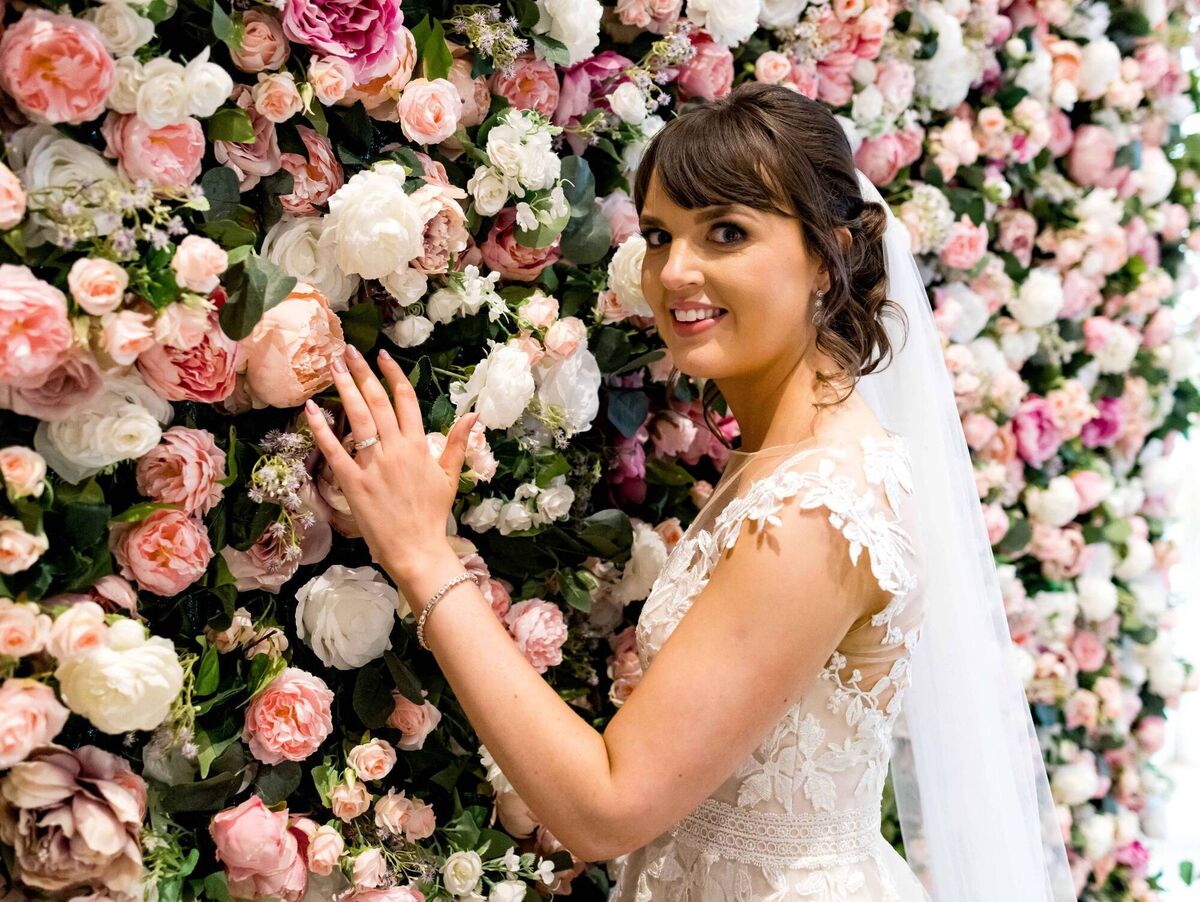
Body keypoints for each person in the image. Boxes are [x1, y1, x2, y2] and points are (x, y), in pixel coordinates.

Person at [304, 82, 1075, 900]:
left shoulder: (817, 510)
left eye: (728, 233)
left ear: (829, 256)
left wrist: (423, 557)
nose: (678, 271)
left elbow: (606, 807)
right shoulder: (784, 460)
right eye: (663, 235)